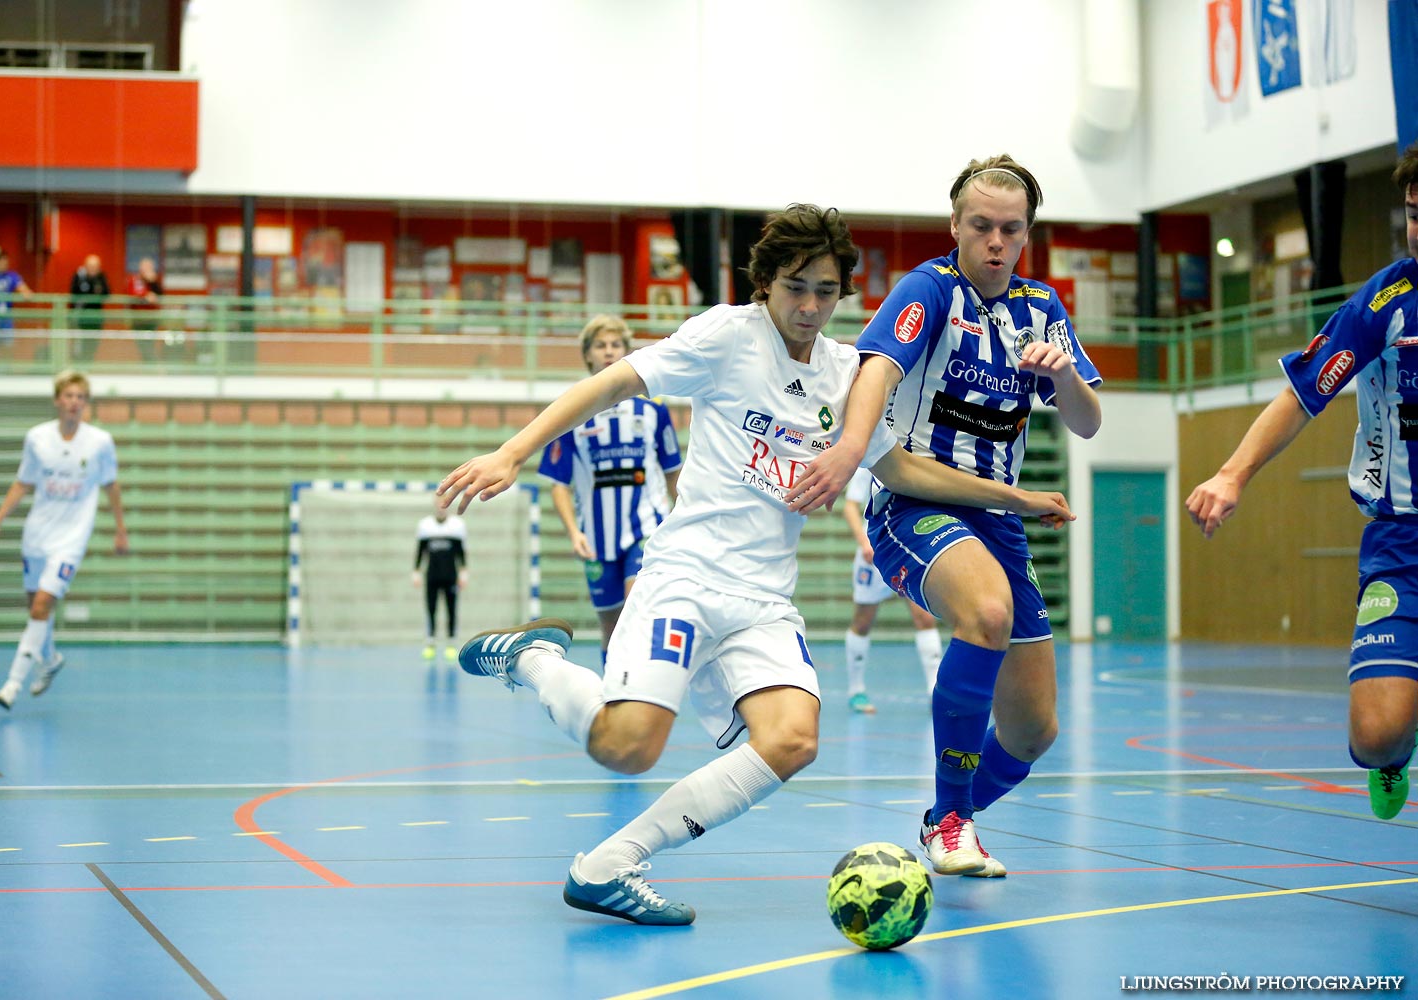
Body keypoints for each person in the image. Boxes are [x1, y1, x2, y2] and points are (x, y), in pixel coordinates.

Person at [438, 204, 1073, 925]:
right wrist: (512, 453)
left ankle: (610, 864)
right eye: (795, 287)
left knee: (793, 737)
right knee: (628, 748)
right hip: (686, 575)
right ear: (765, 282)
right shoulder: (725, 336)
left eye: (825, 291)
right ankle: (536, 661)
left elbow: (900, 468)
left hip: (764, 601)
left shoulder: (847, 375)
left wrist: (1011, 497)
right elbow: (612, 384)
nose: (808, 306)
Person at [787, 155, 1103, 879]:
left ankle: (944, 815)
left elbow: (1085, 423)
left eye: (1011, 229)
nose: (996, 241)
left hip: (998, 518)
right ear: (955, 225)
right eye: (982, 225)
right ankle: (954, 821)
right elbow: (877, 369)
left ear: (1027, 234)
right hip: (917, 504)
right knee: (985, 612)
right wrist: (850, 448)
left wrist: (1061, 377)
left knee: (1031, 733)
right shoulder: (929, 290)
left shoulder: (1042, 308)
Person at [1186, 141, 1418, 822]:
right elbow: (1301, 396)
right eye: (1412, 214)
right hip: (1401, 546)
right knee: (1376, 736)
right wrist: (1232, 475)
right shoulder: (1388, 302)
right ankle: (1395, 751)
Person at [538, 315, 682, 663]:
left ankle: (637, 695)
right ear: (587, 355)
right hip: (597, 536)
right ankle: (614, 695)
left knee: (636, 611)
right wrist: (574, 532)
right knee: (611, 626)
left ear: (627, 351)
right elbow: (559, 485)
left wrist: (680, 523)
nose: (609, 352)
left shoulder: (653, 409)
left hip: (646, 527)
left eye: (616, 345)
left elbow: (672, 474)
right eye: (600, 346)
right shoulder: (571, 410)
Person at [0, 370, 128, 709]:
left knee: (42, 605)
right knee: (34, 605)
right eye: (69, 396)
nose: (74, 403)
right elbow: (23, 483)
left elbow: (112, 486)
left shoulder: (100, 443)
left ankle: (12, 683)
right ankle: (49, 661)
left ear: (86, 403)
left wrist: (121, 529)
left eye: (81, 397)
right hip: (37, 534)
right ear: (57, 400)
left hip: (71, 539)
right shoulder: (37, 438)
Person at [841, 465, 945, 714]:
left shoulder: (911, 457)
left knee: (924, 616)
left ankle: (935, 690)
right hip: (875, 549)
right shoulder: (870, 462)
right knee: (863, 621)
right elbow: (850, 507)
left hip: (907, 547)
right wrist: (864, 542)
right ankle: (856, 690)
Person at [413, 497, 467, 661]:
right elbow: (420, 551)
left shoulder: (457, 526)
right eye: (439, 504)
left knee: (451, 609)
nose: (441, 507)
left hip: (451, 576)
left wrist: (464, 573)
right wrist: (416, 572)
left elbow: (461, 553)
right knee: (431, 609)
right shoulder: (425, 526)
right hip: (432, 576)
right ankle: (430, 643)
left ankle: (451, 643)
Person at [0, 250, 34, 356]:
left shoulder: (12, 276)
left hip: (6, 318)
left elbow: (25, 291)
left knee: (6, 347)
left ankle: (4, 369)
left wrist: (26, 293)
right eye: (1, 261)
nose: (4, 264)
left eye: (5, 261)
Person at [69, 255, 110, 362]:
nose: (92, 268)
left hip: (96, 317)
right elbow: (73, 293)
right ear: (86, 266)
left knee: (92, 342)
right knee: (79, 343)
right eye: (90, 266)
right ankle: (78, 365)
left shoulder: (101, 277)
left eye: (95, 266)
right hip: (80, 316)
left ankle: (88, 364)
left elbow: (106, 293)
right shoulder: (79, 276)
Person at [125, 256, 163, 363]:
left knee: (150, 343)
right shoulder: (134, 279)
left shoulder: (154, 280)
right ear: (140, 268)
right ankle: (150, 365)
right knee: (142, 344)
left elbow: (160, 295)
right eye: (145, 267)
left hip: (152, 318)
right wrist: (146, 296)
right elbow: (133, 295)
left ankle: (150, 365)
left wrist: (152, 282)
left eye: (149, 267)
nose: (147, 269)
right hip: (139, 319)